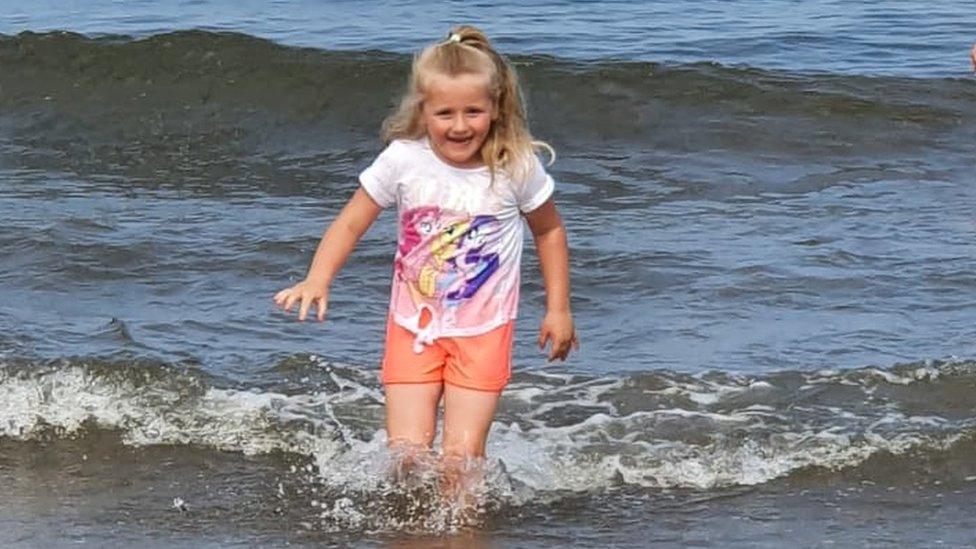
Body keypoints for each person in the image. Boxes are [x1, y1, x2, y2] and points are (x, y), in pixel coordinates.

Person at [273, 25, 577, 491]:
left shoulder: (514, 165)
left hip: (483, 332)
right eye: (445, 113)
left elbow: (550, 231)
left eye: (473, 111)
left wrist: (558, 309)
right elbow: (352, 220)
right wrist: (318, 278)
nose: (460, 125)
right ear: (423, 110)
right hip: (412, 327)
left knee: (462, 462)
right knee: (406, 458)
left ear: (496, 109)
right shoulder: (403, 160)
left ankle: (464, 534)